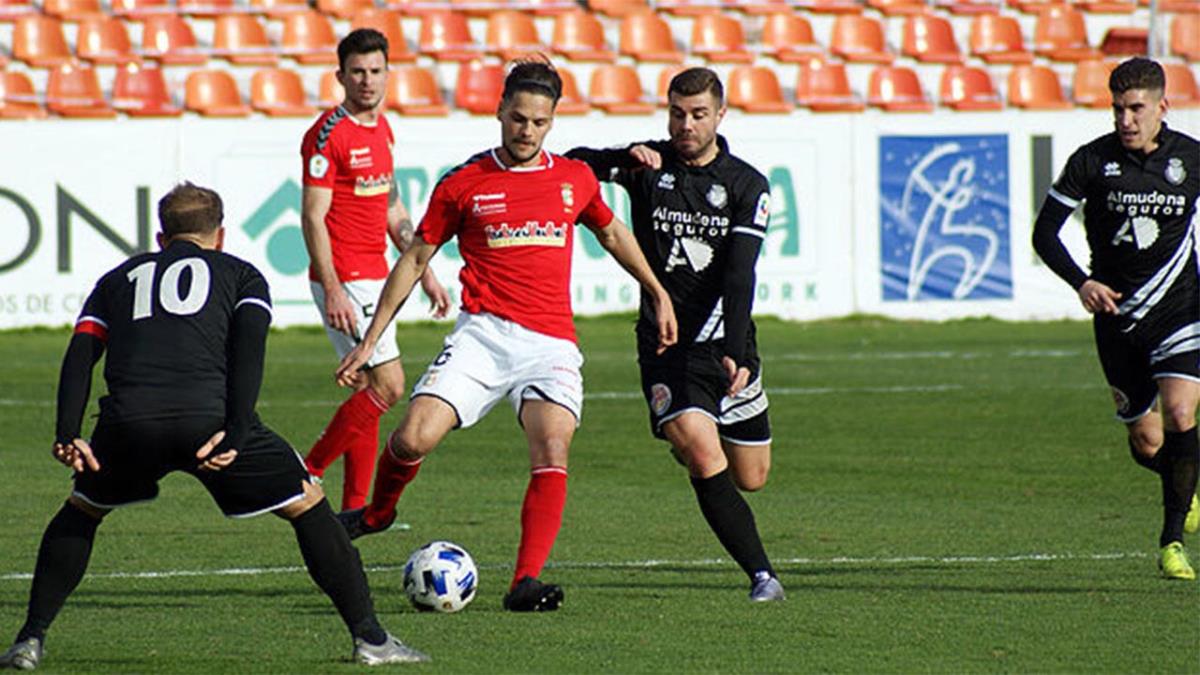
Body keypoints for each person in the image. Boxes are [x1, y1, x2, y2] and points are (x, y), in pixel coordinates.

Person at [0, 183, 428, 670]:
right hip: (211, 425)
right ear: (219, 235)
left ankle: (29, 640)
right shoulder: (241, 275)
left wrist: (66, 431)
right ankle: (370, 639)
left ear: (162, 237)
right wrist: (240, 431)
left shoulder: (116, 278)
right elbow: (249, 355)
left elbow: (81, 352)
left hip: (128, 426)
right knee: (309, 504)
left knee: (82, 511)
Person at [334, 60, 678, 612]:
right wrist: (372, 340)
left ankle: (524, 582)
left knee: (552, 445)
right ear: (499, 112)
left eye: (539, 122)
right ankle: (378, 513)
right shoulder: (465, 183)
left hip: (550, 345)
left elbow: (612, 231)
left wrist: (656, 290)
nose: (527, 130)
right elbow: (415, 256)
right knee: (413, 439)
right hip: (482, 337)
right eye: (518, 118)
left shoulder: (573, 179)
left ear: (552, 122)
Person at [566, 67, 784, 601]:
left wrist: (737, 353)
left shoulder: (747, 184)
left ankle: (687, 428)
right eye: (677, 114)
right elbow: (572, 164)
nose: (685, 125)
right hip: (667, 345)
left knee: (750, 476)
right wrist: (622, 155)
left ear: (720, 116)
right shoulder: (649, 166)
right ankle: (763, 576)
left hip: (728, 345)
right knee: (704, 454)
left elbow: (739, 275)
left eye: (698, 114)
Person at [1032, 57, 1200, 580]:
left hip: (1180, 311)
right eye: (1117, 109)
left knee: (1179, 415)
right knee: (1147, 443)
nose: (1125, 119)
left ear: (1161, 107)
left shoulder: (1191, 161)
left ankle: (1171, 542)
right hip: (1117, 319)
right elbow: (1045, 233)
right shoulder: (1091, 162)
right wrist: (1082, 282)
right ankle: (1185, 482)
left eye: (1135, 108)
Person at [300, 28, 451, 511]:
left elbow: (391, 206)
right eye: (358, 72)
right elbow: (312, 216)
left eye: (376, 71)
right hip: (346, 277)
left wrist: (422, 267)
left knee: (369, 389)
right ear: (340, 75)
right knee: (390, 385)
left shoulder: (382, 129)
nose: (367, 81)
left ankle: (353, 510)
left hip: (378, 273)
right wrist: (334, 287)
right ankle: (304, 470)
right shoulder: (328, 134)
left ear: (388, 74)